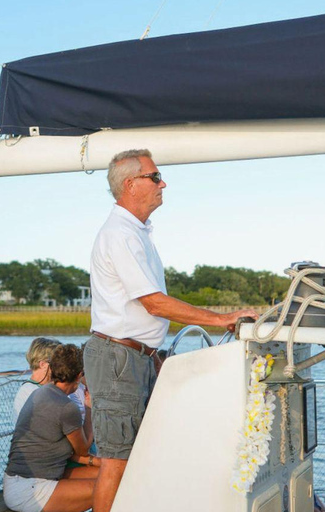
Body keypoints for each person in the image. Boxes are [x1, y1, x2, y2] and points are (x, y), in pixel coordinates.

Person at [83, 149, 260, 512]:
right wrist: (222, 319)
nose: (163, 182)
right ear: (130, 184)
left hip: (137, 357)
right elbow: (154, 303)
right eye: (155, 176)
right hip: (119, 359)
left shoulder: (137, 233)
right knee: (116, 461)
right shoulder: (120, 234)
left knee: (137, 455)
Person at [4, 344, 100, 512]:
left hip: (24, 479)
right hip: (29, 488)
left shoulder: (41, 392)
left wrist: (98, 463)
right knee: (106, 488)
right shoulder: (66, 407)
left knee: (109, 477)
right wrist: (89, 407)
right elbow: (83, 449)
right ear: (79, 375)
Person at [12, 337, 62, 425]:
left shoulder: (47, 388)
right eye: (58, 362)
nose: (62, 366)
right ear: (43, 364)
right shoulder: (30, 391)